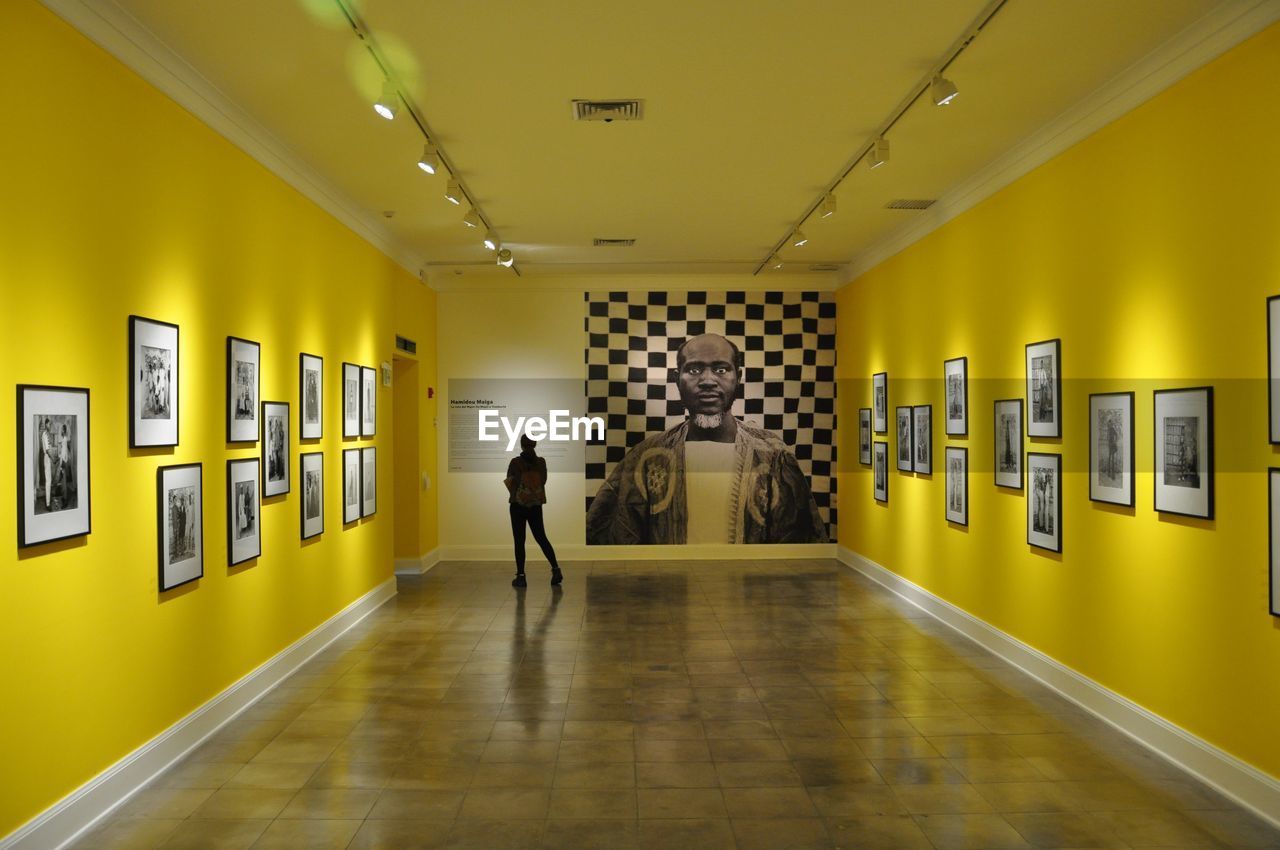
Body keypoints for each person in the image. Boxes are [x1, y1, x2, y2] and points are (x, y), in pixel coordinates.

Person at [586, 333, 827, 545]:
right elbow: (612, 540)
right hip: (669, 592)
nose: (708, 380)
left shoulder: (774, 457)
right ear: (676, 378)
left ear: (738, 377)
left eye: (721, 369)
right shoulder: (647, 458)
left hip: (750, 593)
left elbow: (799, 549)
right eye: (694, 369)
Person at [505, 435, 563, 588]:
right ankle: (556, 569)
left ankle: (521, 576)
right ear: (535, 444)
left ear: (522, 445)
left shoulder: (515, 462)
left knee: (519, 541)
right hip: (535, 505)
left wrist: (520, 493)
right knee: (541, 538)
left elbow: (510, 482)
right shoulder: (541, 462)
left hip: (518, 506)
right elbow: (543, 481)